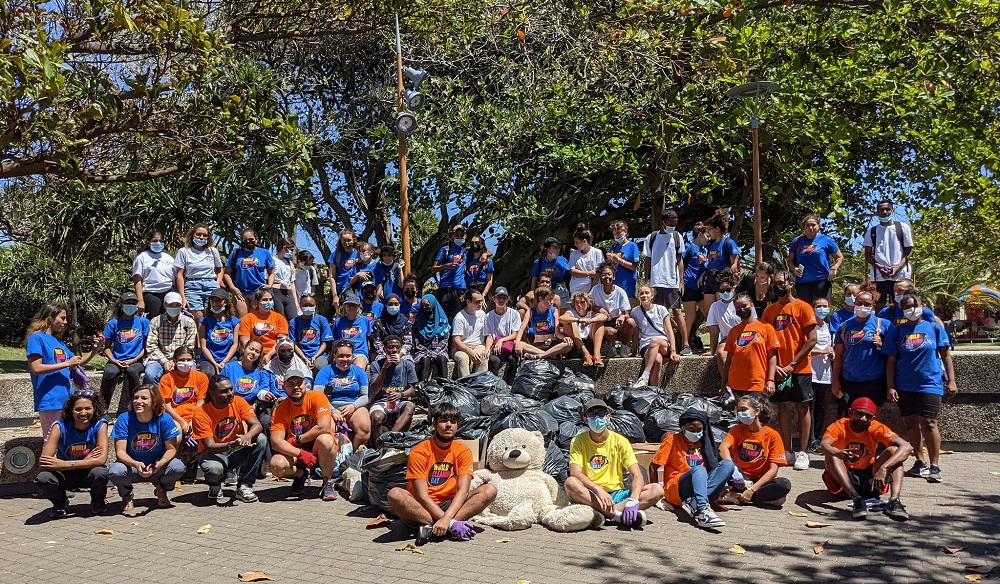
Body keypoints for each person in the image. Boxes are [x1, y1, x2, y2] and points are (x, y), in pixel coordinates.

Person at [388, 403, 499, 544]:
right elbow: (422, 496)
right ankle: (447, 526)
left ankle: (435, 528)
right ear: (434, 423)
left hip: (449, 504)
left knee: (489, 490)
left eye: (453, 422)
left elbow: (463, 490)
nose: (448, 425)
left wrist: (447, 517)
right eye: (443, 421)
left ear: (457, 425)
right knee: (395, 494)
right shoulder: (420, 452)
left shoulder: (463, 451)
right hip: (422, 507)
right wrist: (450, 522)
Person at [883, 292, 957, 484]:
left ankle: (934, 465)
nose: (911, 310)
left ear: (922, 306)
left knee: (930, 423)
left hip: (930, 383)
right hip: (904, 385)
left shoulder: (934, 327)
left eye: (914, 305)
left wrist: (951, 380)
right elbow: (891, 361)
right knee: (911, 423)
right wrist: (890, 386)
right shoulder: (897, 331)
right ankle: (919, 461)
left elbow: (945, 355)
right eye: (907, 307)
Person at [563, 398, 664, 528]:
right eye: (592, 415)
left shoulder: (620, 441)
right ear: (585, 420)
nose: (597, 418)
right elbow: (575, 472)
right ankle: (618, 516)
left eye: (601, 414)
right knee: (570, 483)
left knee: (656, 490)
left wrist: (633, 500)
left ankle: (604, 513)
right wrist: (598, 489)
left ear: (608, 417)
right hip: (592, 495)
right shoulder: (578, 441)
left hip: (617, 495)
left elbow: (637, 475)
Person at [821, 397, 912, 520]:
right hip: (845, 480)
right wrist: (837, 452)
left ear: (873, 418)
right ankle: (857, 500)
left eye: (868, 416)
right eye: (859, 414)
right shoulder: (839, 426)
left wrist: (884, 468)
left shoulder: (876, 427)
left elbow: (907, 447)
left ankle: (894, 501)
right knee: (831, 454)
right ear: (850, 413)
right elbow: (823, 445)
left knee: (895, 452)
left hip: (871, 480)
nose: (863, 418)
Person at [762, 271, 818, 471]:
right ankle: (787, 450)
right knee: (783, 407)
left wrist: (793, 364)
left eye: (781, 283)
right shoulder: (769, 311)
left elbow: (812, 339)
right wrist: (775, 366)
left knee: (803, 407)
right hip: (778, 369)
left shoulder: (803, 307)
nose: (777, 286)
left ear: (791, 284)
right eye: (774, 283)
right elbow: (766, 340)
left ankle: (803, 451)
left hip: (800, 367)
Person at [650, 407, 734, 527]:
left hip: (700, 487)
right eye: (691, 429)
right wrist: (655, 496)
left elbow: (713, 468)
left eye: (699, 429)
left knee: (728, 465)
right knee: (699, 469)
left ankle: (694, 502)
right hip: (677, 488)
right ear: (683, 427)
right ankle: (703, 510)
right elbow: (653, 467)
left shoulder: (703, 443)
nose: (695, 432)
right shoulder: (672, 440)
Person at [26, 305, 101, 440]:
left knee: (67, 440)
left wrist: (95, 350)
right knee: (51, 440)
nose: (65, 322)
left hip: (67, 399)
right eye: (62, 318)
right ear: (50, 318)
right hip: (50, 399)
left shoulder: (58, 342)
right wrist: (66, 364)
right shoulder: (36, 338)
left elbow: (78, 362)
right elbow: (36, 368)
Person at [269, 365, 343, 500]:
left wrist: (298, 439)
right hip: (296, 450)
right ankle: (301, 475)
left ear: (305, 384)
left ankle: (327, 482)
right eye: (291, 384)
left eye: (299, 383)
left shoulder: (318, 397)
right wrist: (300, 453)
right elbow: (276, 442)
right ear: (284, 388)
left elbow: (324, 427)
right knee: (276, 465)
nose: (296, 387)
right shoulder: (279, 409)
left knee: (326, 439)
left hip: (316, 445)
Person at [108, 385, 186, 511]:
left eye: (144, 398)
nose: (138, 401)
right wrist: (135, 464)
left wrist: (160, 463)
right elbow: (120, 452)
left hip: (157, 466)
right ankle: (127, 496)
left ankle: (162, 489)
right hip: (132, 466)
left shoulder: (164, 419)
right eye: (136, 398)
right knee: (116, 471)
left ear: (154, 402)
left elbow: (171, 449)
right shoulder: (124, 419)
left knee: (178, 467)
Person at [34, 390, 110, 518]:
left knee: (100, 473)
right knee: (43, 478)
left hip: (86, 472)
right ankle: (60, 503)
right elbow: (44, 463)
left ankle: (98, 502)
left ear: (94, 409)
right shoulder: (59, 427)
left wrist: (64, 464)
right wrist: (86, 461)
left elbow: (101, 460)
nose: (83, 413)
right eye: (78, 409)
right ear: (71, 410)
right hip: (66, 474)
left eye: (88, 408)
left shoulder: (99, 425)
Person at [193, 375, 267, 503]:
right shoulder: (201, 413)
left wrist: (247, 436)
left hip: (236, 449)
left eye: (231, 389)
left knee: (260, 439)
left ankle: (245, 486)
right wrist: (232, 444)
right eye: (224, 391)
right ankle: (214, 484)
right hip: (213, 453)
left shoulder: (238, 401)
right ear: (212, 394)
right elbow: (210, 446)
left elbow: (257, 425)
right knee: (215, 470)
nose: (230, 393)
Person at [719, 395, 790, 505]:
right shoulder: (736, 430)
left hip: (760, 482)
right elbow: (722, 448)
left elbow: (773, 470)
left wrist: (751, 490)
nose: (740, 413)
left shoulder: (772, 435)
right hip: (739, 480)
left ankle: (738, 497)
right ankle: (749, 498)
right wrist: (733, 469)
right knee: (718, 461)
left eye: (744, 409)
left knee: (784, 484)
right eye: (738, 410)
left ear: (756, 411)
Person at [832, 285, 889, 409]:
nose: (862, 306)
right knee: (851, 415)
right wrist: (835, 381)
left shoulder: (884, 324)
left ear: (873, 306)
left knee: (871, 416)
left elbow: (894, 352)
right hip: (849, 380)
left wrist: (882, 345)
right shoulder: (844, 326)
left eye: (867, 304)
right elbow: (839, 355)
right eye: (859, 303)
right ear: (855, 303)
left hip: (874, 380)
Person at [643, 209, 691, 355]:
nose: (673, 226)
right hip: (656, 282)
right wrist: (646, 280)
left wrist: (681, 281)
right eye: (670, 223)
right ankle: (660, 342)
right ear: (662, 222)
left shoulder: (677, 237)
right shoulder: (651, 238)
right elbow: (648, 259)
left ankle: (686, 344)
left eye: (675, 223)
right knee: (656, 313)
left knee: (677, 311)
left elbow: (680, 260)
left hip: (672, 282)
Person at [314, 340, 372, 449]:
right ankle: (332, 456)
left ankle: (355, 455)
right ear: (334, 356)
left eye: (348, 356)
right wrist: (333, 411)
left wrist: (353, 406)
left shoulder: (359, 372)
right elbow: (318, 395)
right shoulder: (326, 371)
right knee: (326, 430)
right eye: (341, 356)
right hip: (330, 406)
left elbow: (365, 396)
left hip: (353, 405)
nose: (345, 359)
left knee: (364, 428)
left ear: (353, 356)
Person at [722, 294, 779, 399]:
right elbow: (729, 359)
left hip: (757, 382)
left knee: (757, 409)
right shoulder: (733, 331)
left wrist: (771, 380)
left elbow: (772, 356)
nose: (742, 309)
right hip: (736, 383)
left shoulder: (766, 327)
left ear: (751, 305)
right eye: (738, 307)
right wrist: (723, 382)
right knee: (740, 410)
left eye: (744, 306)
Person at [863, 199, 914, 312]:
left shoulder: (903, 228)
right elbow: (868, 255)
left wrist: (897, 268)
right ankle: (880, 323)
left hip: (901, 275)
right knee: (878, 304)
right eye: (882, 210)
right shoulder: (872, 232)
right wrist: (880, 267)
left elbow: (908, 251)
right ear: (877, 212)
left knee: (903, 303)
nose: (885, 212)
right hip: (879, 276)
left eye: (887, 209)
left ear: (892, 211)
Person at [100, 292, 149, 406]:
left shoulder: (143, 322)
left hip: (136, 360)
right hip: (116, 360)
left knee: (133, 372)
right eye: (127, 303)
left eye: (133, 303)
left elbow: (145, 348)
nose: (130, 305)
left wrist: (133, 360)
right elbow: (106, 347)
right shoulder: (113, 323)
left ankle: (135, 405)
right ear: (121, 305)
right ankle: (102, 406)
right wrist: (114, 360)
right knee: (109, 373)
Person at [628, 285, 680, 387]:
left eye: (647, 293)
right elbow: (636, 334)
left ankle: (644, 376)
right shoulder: (635, 312)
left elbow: (669, 331)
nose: (644, 295)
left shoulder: (661, 309)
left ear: (652, 295)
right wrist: (634, 351)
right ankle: (653, 390)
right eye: (641, 293)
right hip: (646, 345)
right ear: (638, 296)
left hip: (662, 343)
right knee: (657, 360)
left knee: (655, 340)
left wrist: (673, 351)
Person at [368, 335, 418, 441]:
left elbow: (412, 389)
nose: (394, 350)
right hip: (381, 401)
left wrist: (401, 395)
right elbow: (375, 389)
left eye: (397, 347)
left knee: (410, 406)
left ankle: (390, 438)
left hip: (400, 400)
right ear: (385, 349)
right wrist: (384, 368)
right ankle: (378, 445)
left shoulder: (408, 365)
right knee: (376, 417)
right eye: (390, 347)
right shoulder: (376, 365)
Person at [144, 291, 198, 387]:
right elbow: (151, 345)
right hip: (159, 359)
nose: (174, 307)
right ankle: (158, 395)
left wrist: (176, 361)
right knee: (150, 374)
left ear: (181, 306)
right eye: (170, 305)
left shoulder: (189, 322)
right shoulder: (156, 321)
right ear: (165, 305)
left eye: (177, 305)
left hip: (183, 359)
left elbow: (189, 347)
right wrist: (164, 361)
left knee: (191, 372)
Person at [787, 214, 844, 303]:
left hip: (821, 280)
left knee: (822, 309)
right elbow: (790, 260)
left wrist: (834, 268)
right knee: (805, 310)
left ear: (818, 226)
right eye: (808, 225)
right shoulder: (797, 241)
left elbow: (840, 257)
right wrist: (794, 269)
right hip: (802, 282)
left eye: (813, 225)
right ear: (804, 228)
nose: (811, 228)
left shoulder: (826, 240)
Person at [705, 269, 751, 378]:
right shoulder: (715, 307)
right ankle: (727, 383)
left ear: (733, 288)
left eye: (728, 289)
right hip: (727, 339)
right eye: (722, 290)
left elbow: (753, 322)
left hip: (745, 336)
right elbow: (714, 330)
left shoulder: (743, 302)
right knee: (721, 353)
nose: (725, 293)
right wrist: (712, 350)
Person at [174, 223, 223, 322]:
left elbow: (220, 269)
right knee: (198, 317)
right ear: (192, 235)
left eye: (205, 235)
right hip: (192, 286)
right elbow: (179, 275)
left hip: (211, 285)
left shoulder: (212, 251)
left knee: (212, 315)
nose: (201, 237)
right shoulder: (184, 251)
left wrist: (217, 284)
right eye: (198, 234)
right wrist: (182, 296)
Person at [158, 346, 208, 441]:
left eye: (189, 360)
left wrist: (193, 421)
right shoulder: (167, 378)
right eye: (182, 360)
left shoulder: (201, 377)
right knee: (175, 435)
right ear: (175, 361)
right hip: (174, 417)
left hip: (196, 415)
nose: (185, 362)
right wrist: (181, 421)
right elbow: (166, 405)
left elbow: (200, 402)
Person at [223, 229, 275, 317]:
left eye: (251, 239)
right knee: (243, 319)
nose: (248, 242)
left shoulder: (265, 252)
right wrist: (232, 287)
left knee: (256, 319)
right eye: (245, 240)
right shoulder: (236, 253)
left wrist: (269, 285)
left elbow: (271, 273)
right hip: (240, 292)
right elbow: (226, 273)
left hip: (258, 291)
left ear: (256, 239)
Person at [516, 286, 573, 360]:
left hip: (552, 344)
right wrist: (517, 343)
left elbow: (557, 333)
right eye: (549, 299)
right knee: (520, 344)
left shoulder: (554, 311)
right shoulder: (531, 312)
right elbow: (521, 329)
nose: (552, 302)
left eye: (552, 299)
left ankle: (540, 356)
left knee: (569, 344)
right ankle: (550, 355)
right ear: (540, 299)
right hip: (537, 345)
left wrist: (565, 338)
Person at [590, 263, 635, 358]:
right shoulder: (595, 289)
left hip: (618, 321)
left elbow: (627, 313)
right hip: (604, 322)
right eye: (604, 275)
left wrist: (622, 316)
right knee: (611, 332)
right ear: (600, 277)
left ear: (614, 277)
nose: (607, 277)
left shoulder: (620, 292)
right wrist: (598, 309)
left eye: (609, 274)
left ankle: (625, 346)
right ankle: (610, 346)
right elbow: (589, 305)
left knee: (631, 322)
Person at [451, 289, 497, 377]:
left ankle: (479, 382)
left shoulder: (482, 314)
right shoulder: (459, 317)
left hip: (478, 345)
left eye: (481, 301)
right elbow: (456, 340)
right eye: (477, 302)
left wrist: (487, 348)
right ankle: (465, 382)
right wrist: (470, 352)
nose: (480, 304)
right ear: (468, 302)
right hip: (462, 347)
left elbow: (489, 336)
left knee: (483, 355)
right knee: (463, 358)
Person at [809, 296, 835, 450]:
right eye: (818, 306)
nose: (822, 309)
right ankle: (810, 438)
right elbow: (804, 349)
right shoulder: (809, 327)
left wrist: (831, 353)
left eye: (825, 306)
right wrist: (822, 351)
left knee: (821, 406)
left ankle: (818, 437)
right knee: (810, 407)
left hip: (825, 374)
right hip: (811, 372)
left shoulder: (828, 327)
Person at [237, 288, 289, 362]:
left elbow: (281, 341)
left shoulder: (280, 318)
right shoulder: (248, 318)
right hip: (253, 353)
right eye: (265, 300)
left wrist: (269, 355)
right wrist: (256, 354)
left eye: (270, 299)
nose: (268, 302)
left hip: (274, 354)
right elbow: (245, 341)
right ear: (257, 302)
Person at [682, 223, 711, 353]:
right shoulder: (689, 247)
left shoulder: (705, 251)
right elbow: (679, 262)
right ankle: (685, 344)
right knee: (691, 317)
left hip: (701, 289)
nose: (708, 238)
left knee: (709, 314)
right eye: (707, 235)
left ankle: (716, 341)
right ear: (700, 235)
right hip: (688, 287)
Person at [132, 230, 175, 318]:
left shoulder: (169, 258)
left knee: (170, 318)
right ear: (148, 242)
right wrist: (140, 301)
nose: (158, 243)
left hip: (168, 291)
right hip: (150, 293)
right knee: (153, 319)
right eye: (155, 241)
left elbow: (176, 279)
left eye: (160, 241)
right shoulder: (141, 258)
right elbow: (137, 281)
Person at [198, 288, 240, 377]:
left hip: (229, 357)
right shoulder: (204, 321)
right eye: (212, 300)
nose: (214, 303)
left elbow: (235, 345)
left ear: (226, 302)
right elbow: (203, 346)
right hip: (208, 359)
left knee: (230, 373)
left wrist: (224, 361)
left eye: (218, 300)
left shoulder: (234, 321)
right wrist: (214, 362)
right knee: (208, 373)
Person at [702, 211, 740, 308]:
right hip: (710, 278)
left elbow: (734, 264)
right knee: (710, 311)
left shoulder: (729, 243)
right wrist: (703, 275)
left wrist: (726, 281)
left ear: (717, 229)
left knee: (722, 310)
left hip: (722, 278)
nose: (708, 233)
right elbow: (710, 263)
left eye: (709, 229)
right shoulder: (710, 244)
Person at [432, 224, 470, 321]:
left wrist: (486, 254)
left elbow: (483, 251)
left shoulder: (466, 251)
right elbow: (434, 269)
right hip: (446, 287)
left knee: (459, 318)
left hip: (461, 288)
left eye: (461, 235)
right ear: (453, 236)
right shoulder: (445, 249)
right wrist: (446, 266)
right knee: (443, 318)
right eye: (457, 235)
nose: (459, 237)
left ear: (465, 236)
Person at [485, 287, 522, 383]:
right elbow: (489, 336)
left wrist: (501, 340)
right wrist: (487, 348)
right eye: (499, 297)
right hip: (495, 347)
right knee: (494, 361)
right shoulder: (489, 316)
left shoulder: (514, 314)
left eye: (503, 298)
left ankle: (509, 384)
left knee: (513, 360)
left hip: (509, 346)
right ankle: (494, 384)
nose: (501, 300)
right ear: (494, 299)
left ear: (507, 299)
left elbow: (515, 334)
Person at [560, 292, 608, 367]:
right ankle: (586, 354)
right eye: (576, 302)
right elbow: (561, 319)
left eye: (582, 302)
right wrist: (578, 320)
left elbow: (603, 317)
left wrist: (590, 321)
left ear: (588, 304)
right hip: (576, 347)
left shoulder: (591, 314)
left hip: (590, 344)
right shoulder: (571, 313)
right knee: (567, 324)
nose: (579, 305)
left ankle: (597, 355)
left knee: (599, 323)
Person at [290, 292, 334, 372]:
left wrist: (315, 357)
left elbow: (324, 343)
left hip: (319, 355)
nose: (308, 307)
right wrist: (304, 358)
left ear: (315, 306)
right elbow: (294, 344)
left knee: (320, 366)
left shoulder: (322, 320)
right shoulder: (294, 322)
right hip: (301, 355)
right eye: (305, 305)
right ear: (300, 305)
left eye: (311, 305)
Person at [412, 294, 452, 381]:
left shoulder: (442, 320)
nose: (425, 308)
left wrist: (434, 353)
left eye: (427, 305)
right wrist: (427, 352)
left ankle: (444, 385)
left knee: (442, 360)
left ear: (433, 304)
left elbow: (444, 340)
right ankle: (422, 386)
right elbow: (416, 341)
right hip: (422, 351)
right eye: (423, 306)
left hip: (439, 350)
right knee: (425, 361)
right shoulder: (418, 321)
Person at [331, 291, 373, 369]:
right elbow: (334, 342)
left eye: (354, 305)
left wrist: (370, 357)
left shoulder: (364, 320)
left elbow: (368, 339)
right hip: (342, 352)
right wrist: (331, 358)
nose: (351, 307)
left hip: (359, 353)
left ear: (358, 306)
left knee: (359, 368)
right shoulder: (338, 322)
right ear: (345, 306)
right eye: (349, 305)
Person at [531, 237, 571, 310]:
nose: (558, 250)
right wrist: (534, 295)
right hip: (544, 289)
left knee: (563, 310)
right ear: (547, 249)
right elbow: (534, 280)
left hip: (560, 288)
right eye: (555, 248)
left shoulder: (563, 261)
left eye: (559, 248)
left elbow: (570, 275)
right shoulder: (539, 263)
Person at [372, 294, 413, 363]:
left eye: (396, 304)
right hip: (384, 354)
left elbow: (408, 342)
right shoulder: (379, 322)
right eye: (390, 304)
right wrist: (387, 356)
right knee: (379, 363)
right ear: (386, 305)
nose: (393, 306)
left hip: (402, 354)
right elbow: (377, 342)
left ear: (399, 305)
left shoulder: (405, 322)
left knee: (408, 363)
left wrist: (399, 355)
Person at [328, 228, 360, 314]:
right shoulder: (335, 255)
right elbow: (332, 277)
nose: (346, 243)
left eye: (349, 240)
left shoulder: (359, 254)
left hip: (356, 290)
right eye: (344, 240)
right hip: (341, 291)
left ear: (354, 240)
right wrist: (335, 296)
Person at [607, 220, 641, 299]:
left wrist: (618, 259)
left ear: (625, 232)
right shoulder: (613, 247)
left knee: (627, 305)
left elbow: (633, 267)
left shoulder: (632, 246)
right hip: (615, 283)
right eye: (614, 234)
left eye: (619, 233)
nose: (617, 236)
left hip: (627, 283)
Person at [270, 237, 300, 322]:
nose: (291, 252)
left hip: (288, 293)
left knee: (293, 319)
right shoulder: (272, 260)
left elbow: (292, 283)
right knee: (280, 319)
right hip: (276, 292)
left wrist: (296, 301)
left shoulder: (289, 263)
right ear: (284, 248)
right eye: (291, 250)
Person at [568, 227, 603, 295]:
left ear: (584, 241)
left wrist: (591, 292)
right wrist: (589, 273)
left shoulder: (597, 253)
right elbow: (573, 272)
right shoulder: (573, 254)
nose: (575, 244)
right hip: (576, 288)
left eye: (577, 242)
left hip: (593, 289)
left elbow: (596, 274)